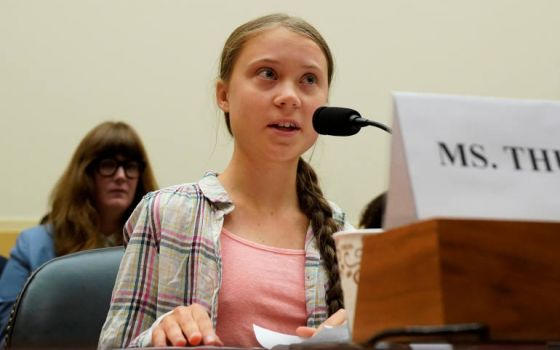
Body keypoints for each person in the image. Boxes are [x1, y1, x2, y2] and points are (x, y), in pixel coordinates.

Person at [98, 13, 353, 349]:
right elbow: (114, 344)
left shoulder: (342, 232)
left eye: (309, 80)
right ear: (224, 95)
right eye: (268, 74)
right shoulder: (166, 212)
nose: (290, 97)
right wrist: (159, 336)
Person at [0, 121, 158, 338]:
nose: (121, 176)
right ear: (85, 174)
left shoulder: (156, 246)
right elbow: (6, 331)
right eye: (108, 164)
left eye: (131, 166)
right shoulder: (34, 245)